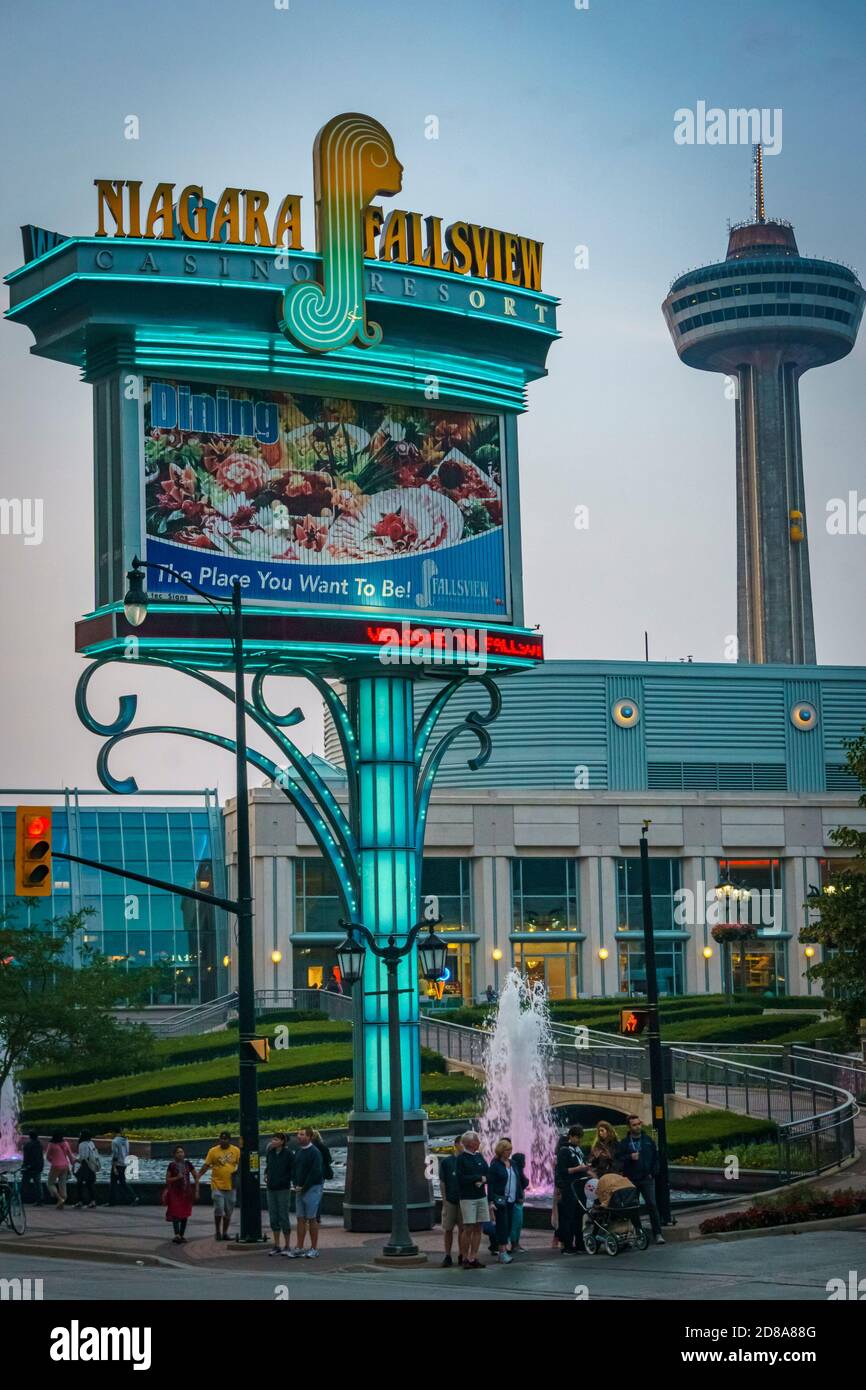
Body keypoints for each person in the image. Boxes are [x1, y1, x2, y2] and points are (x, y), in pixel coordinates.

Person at [616, 1114, 665, 1244]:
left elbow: (656, 1158)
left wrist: (653, 1173)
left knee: (652, 1204)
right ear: (629, 1127)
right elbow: (618, 1160)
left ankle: (658, 1233)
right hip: (631, 1179)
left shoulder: (648, 1140)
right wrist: (629, 1157)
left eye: (639, 1124)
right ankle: (638, 1232)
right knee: (633, 1207)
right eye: (634, 1125)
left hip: (646, 1178)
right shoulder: (624, 1143)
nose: (637, 1127)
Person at [198, 1130, 241, 1241]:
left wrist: (238, 1174)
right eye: (221, 1138)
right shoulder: (213, 1151)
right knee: (219, 1208)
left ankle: (225, 1232)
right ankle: (217, 1231)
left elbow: (241, 1165)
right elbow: (206, 1165)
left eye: (225, 1138)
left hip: (231, 1186)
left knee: (228, 1211)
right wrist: (198, 1175)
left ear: (229, 1140)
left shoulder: (236, 1150)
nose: (223, 1140)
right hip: (217, 1184)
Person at [455, 1130, 489, 1269]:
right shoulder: (461, 1159)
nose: (479, 1142)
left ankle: (473, 1256)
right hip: (468, 1198)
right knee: (468, 1227)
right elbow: (460, 1178)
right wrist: (478, 1178)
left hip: (481, 1196)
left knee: (478, 1227)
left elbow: (488, 1172)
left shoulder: (479, 1157)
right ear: (470, 1143)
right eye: (477, 1140)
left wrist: (483, 1180)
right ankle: (464, 1257)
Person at [555, 1125, 591, 1253]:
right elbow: (562, 1170)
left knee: (579, 1216)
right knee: (568, 1216)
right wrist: (578, 1169)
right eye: (576, 1137)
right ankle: (567, 1244)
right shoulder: (564, 1150)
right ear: (570, 1136)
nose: (579, 1140)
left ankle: (580, 1243)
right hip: (570, 1186)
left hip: (580, 1186)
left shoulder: (579, 1150)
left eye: (580, 1138)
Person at [289, 1128, 324, 1258]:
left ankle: (314, 1248)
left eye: (302, 1134)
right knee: (300, 1218)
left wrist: (303, 1186)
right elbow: (294, 1169)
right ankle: (299, 1247)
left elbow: (315, 1172)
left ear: (309, 1137)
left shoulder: (315, 1152)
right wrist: (295, 1183)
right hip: (300, 1188)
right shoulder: (298, 1151)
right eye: (298, 1134)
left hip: (312, 1188)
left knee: (312, 1218)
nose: (298, 1136)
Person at [487, 1139, 520, 1265]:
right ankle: (502, 1252)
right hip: (500, 1200)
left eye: (510, 1149)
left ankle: (503, 1250)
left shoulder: (513, 1163)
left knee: (509, 1224)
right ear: (501, 1151)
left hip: (512, 1199)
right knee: (502, 1225)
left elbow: (518, 1179)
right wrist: (490, 1201)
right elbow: (491, 1184)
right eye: (507, 1150)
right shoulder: (495, 1165)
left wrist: (519, 1195)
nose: (509, 1152)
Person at [264, 1132, 294, 1255]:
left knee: (283, 1215)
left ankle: (287, 1245)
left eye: (276, 1139)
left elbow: (292, 1170)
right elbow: (268, 1166)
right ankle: (277, 1245)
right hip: (271, 1188)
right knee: (273, 1216)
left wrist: (285, 1180)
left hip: (283, 1189)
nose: (273, 1141)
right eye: (273, 1139)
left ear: (282, 1141)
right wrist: (266, 1174)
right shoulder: (270, 1153)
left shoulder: (288, 1154)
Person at [438, 1135, 465, 1267]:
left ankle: (462, 1254)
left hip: (464, 1200)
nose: (464, 1146)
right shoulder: (447, 1162)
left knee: (463, 1229)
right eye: (462, 1144)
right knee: (448, 1228)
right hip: (450, 1200)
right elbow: (443, 1183)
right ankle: (448, 1255)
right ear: (456, 1144)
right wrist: (444, 1202)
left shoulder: (467, 1161)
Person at [164, 1145, 198, 1243]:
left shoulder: (188, 1164)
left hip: (186, 1193)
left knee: (184, 1214)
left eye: (182, 1152)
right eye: (178, 1152)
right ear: (174, 1154)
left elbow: (196, 1176)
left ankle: (181, 1235)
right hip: (175, 1193)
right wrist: (177, 1178)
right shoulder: (171, 1165)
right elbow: (167, 1179)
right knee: (175, 1213)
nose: (180, 1154)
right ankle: (177, 1234)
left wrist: (196, 1190)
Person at [109, 1126, 138, 1206]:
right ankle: (133, 1197)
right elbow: (128, 1152)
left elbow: (115, 1154)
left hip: (117, 1164)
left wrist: (114, 1167)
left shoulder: (114, 1141)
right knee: (122, 1182)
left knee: (113, 1183)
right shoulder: (126, 1140)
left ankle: (112, 1202)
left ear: (114, 1133)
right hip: (124, 1163)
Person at [508, 1147, 530, 1252]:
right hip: (517, 1202)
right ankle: (514, 1244)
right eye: (524, 1161)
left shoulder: (518, 1172)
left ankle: (515, 1243)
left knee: (517, 1224)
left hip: (518, 1202)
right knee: (516, 1224)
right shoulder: (517, 1173)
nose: (525, 1163)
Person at [45, 1132, 74, 1209]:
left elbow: (47, 1157)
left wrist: (53, 1161)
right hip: (65, 1166)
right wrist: (73, 1164)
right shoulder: (66, 1143)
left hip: (56, 1165)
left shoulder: (51, 1144)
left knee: (50, 1183)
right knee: (62, 1183)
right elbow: (70, 1156)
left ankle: (59, 1199)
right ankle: (62, 1200)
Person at [74, 1130, 100, 1208]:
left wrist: (76, 1160)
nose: (79, 1134)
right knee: (90, 1184)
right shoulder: (91, 1143)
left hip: (85, 1166)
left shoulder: (82, 1144)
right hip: (92, 1165)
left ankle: (80, 1201)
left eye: (80, 1133)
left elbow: (83, 1157)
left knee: (79, 1183)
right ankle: (93, 1201)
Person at [21, 1131, 44, 1206]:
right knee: (38, 1184)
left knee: (24, 1183)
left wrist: (24, 1166)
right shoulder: (39, 1144)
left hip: (29, 1167)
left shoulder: (27, 1145)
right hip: (37, 1167)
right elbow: (40, 1157)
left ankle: (22, 1199)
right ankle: (39, 1200)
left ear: (29, 1136)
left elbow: (26, 1158)